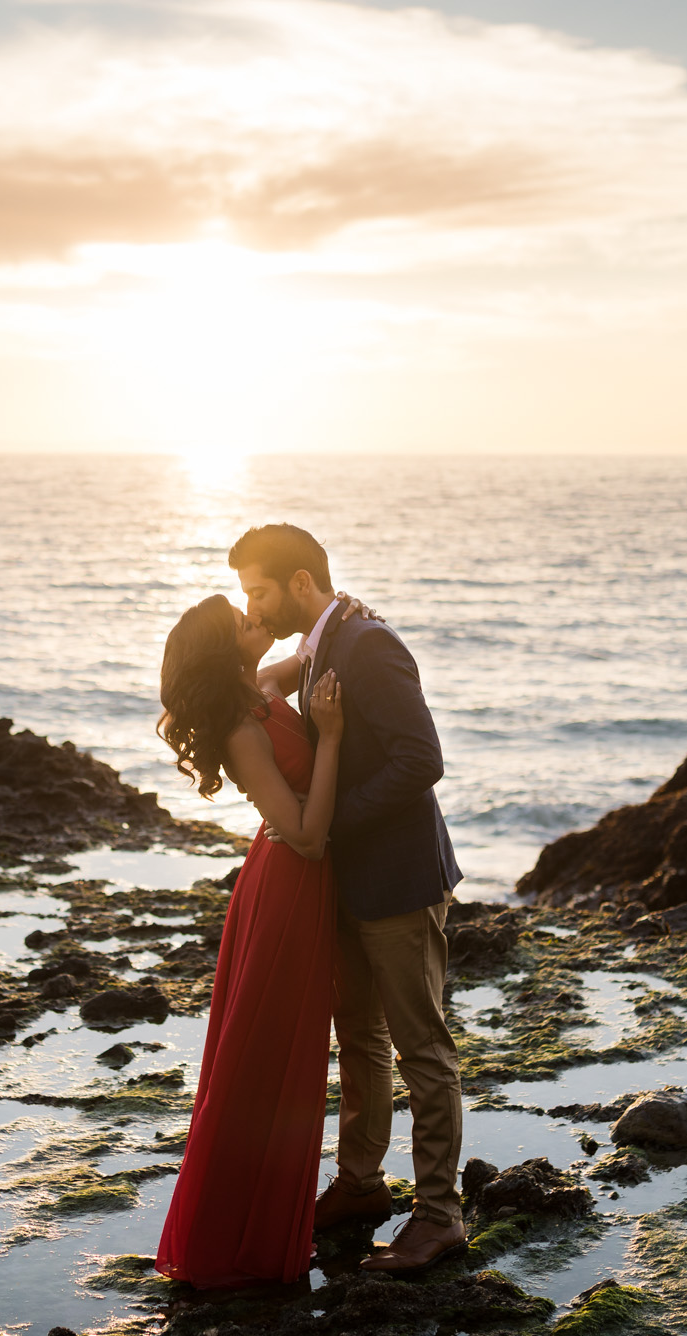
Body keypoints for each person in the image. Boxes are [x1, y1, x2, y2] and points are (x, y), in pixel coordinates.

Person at [229, 523, 467, 1274]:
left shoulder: (368, 644)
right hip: (348, 882)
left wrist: (332, 820)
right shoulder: (323, 644)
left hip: (397, 879)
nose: (254, 608)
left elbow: (421, 758)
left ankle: (440, 1217)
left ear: (302, 582)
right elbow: (259, 682)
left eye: (260, 591)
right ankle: (361, 1184)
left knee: (421, 1047)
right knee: (358, 1039)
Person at [153, 592, 348, 1288]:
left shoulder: (259, 687)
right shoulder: (239, 724)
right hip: (289, 885)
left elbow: (305, 654)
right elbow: (306, 833)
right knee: (266, 1060)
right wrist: (330, 736)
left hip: (290, 884)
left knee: (278, 1056)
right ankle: (235, 1240)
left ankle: (264, 1224)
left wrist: (335, 615)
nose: (252, 619)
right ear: (222, 650)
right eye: (240, 620)